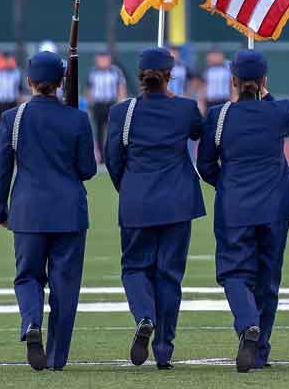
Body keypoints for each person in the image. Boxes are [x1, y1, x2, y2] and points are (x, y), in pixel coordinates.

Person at [0, 51, 97, 371]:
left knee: (28, 278)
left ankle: (31, 322)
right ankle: (56, 358)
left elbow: (1, 169)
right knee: (65, 288)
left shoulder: (13, 118)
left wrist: (0, 210)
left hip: (27, 211)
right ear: (61, 82)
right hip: (69, 213)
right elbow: (88, 169)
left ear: (29, 82)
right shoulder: (77, 118)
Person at [196, 49, 289, 372]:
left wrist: (226, 184)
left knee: (234, 273)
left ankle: (247, 323)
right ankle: (260, 351)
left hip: (235, 207)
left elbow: (205, 165)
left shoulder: (219, 116)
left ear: (234, 82)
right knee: (268, 280)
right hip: (275, 206)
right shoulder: (279, 111)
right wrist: (265, 93)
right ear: (264, 81)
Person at [104, 47, 205, 369]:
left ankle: (144, 315)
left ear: (139, 77)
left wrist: (128, 186)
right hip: (177, 202)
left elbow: (112, 159)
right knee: (169, 276)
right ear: (170, 75)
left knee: (134, 268)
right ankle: (164, 350)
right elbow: (198, 131)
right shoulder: (185, 109)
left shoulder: (122, 112)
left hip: (137, 200)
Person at [87, 51, 127, 163]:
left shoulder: (116, 71)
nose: (103, 61)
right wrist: (90, 105)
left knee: (112, 131)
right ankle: (101, 157)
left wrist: (121, 102)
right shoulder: (93, 72)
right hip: (98, 104)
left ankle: (113, 154)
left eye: (105, 59)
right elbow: (90, 89)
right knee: (99, 131)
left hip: (111, 104)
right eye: (101, 59)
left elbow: (121, 87)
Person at [0, 53, 22, 148]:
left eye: (8, 60)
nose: (6, 62)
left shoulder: (17, 73)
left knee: (13, 130)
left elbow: (20, 91)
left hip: (12, 104)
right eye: (5, 60)